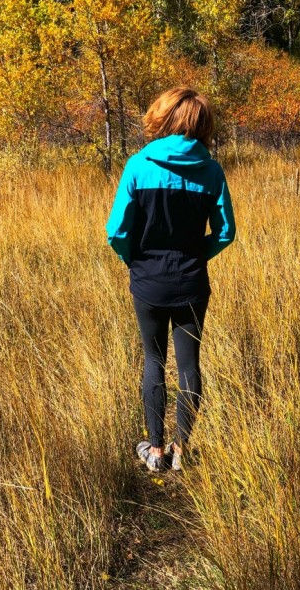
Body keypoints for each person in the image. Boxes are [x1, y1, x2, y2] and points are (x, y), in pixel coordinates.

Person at [105, 87, 236, 472]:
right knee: (189, 365)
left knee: (153, 360)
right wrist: (197, 255)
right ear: (202, 124)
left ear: (163, 118)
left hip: (147, 281)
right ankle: (182, 451)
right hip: (193, 282)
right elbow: (225, 232)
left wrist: (136, 261)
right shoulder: (211, 171)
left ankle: (156, 451)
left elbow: (116, 232)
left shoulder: (138, 165)